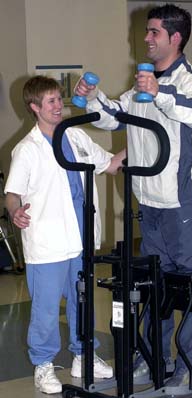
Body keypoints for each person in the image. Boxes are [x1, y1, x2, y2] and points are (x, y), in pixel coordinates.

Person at [74, 2, 192, 391]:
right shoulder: (141, 83)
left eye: (153, 31)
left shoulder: (190, 80)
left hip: (185, 203)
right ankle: (155, 358)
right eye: (147, 31)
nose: (145, 38)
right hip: (150, 205)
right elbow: (114, 115)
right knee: (155, 285)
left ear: (174, 37)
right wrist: (92, 97)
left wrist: (162, 94)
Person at [4, 75, 126, 395]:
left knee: (81, 302)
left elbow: (111, 165)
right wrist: (14, 211)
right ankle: (43, 365)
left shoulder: (76, 137)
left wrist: (143, 138)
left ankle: (83, 354)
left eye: (60, 99)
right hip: (46, 242)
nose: (59, 106)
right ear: (34, 107)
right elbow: (12, 193)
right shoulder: (26, 149)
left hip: (80, 238)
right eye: (51, 101)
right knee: (45, 311)